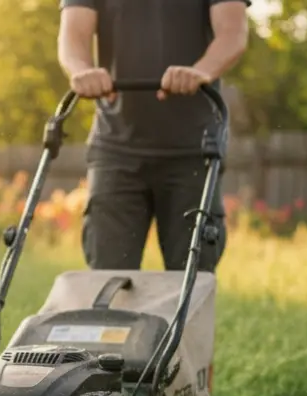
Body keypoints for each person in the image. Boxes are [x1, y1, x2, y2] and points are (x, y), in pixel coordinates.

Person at [57, 0, 250, 274]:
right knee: (107, 274)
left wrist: (201, 71)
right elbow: (73, 33)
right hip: (116, 149)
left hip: (193, 151)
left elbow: (233, 33)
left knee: (192, 276)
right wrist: (82, 70)